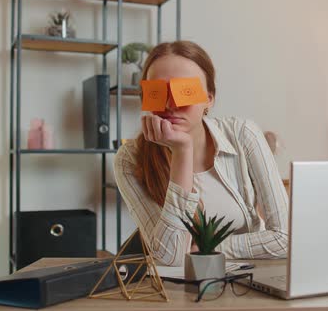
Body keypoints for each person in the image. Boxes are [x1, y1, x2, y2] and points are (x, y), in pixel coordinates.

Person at [113, 40, 289, 266]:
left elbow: (285, 237)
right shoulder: (129, 159)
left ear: (209, 99)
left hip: (250, 277)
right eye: (158, 92)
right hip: (179, 292)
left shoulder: (243, 134)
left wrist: (210, 248)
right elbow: (170, 258)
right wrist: (181, 151)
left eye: (184, 91)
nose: (169, 104)